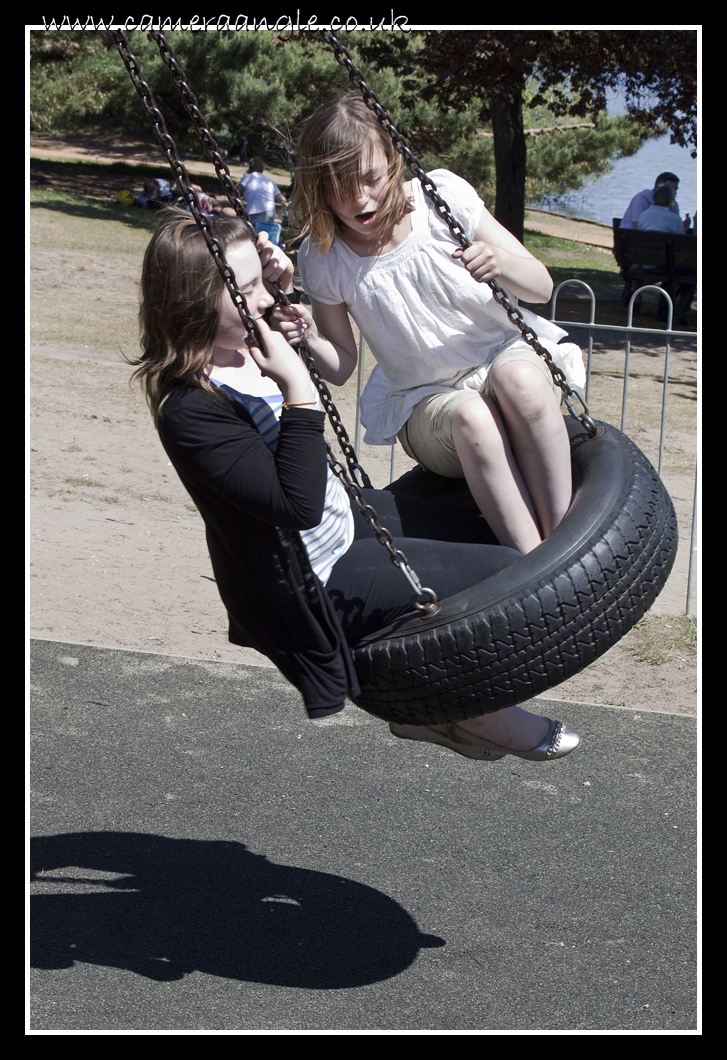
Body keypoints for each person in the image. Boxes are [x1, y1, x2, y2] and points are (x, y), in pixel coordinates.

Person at [132, 207, 581, 762]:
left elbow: (286, 318)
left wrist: (276, 278)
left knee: (492, 528)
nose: (264, 300)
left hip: (348, 519)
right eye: (243, 288)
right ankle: (456, 712)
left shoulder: (248, 338)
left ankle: (443, 709)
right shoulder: (191, 408)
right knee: (505, 575)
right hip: (311, 579)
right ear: (193, 301)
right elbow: (294, 504)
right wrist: (299, 390)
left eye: (260, 283)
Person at [285, 94, 585, 556]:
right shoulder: (324, 257)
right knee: (472, 415)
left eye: (370, 178)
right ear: (317, 187)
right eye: (340, 187)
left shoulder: (440, 199)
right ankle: (535, 565)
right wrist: (308, 336)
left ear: (394, 161)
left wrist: (499, 261)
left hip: (503, 356)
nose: (360, 199)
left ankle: (569, 541)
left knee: (521, 382)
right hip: (427, 402)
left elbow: (540, 286)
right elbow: (342, 365)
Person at [237, 157, 288, 225]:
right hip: (269, 214)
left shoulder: (247, 177)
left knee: (238, 221)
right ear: (263, 168)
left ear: (250, 166)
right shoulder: (269, 181)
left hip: (253, 214)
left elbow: (235, 192)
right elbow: (282, 199)